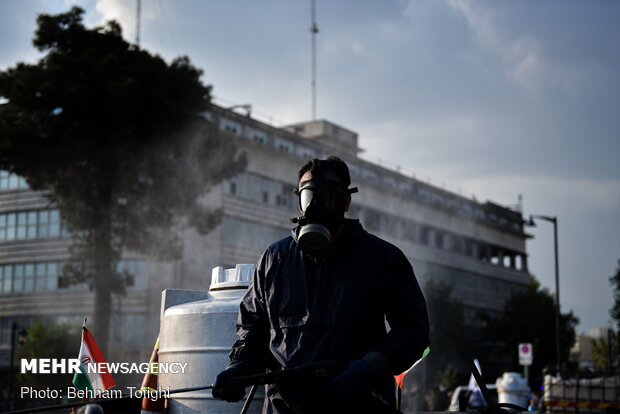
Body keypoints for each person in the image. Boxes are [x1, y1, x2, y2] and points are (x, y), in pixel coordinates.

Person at [213, 156, 430, 413]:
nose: (315, 207)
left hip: (359, 406)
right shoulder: (275, 260)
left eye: (326, 197)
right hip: (286, 408)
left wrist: (374, 364)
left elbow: (414, 330)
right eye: (307, 197)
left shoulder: (382, 259)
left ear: (346, 202)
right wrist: (238, 367)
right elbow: (251, 328)